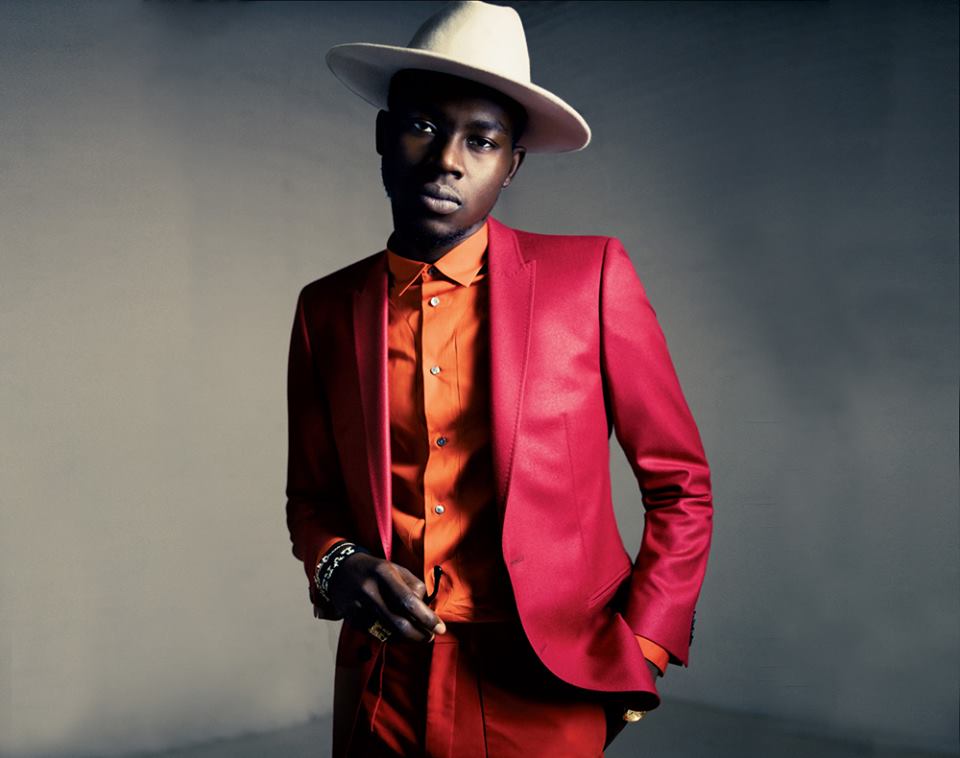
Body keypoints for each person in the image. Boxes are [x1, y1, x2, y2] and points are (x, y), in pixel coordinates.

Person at [284, 2, 713, 756]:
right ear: (384, 136)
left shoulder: (591, 278)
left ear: (512, 164)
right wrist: (341, 565)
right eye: (423, 126)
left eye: (481, 140)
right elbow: (311, 499)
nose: (447, 159)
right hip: (383, 683)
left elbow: (680, 484)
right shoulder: (326, 308)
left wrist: (643, 647)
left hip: (543, 683)